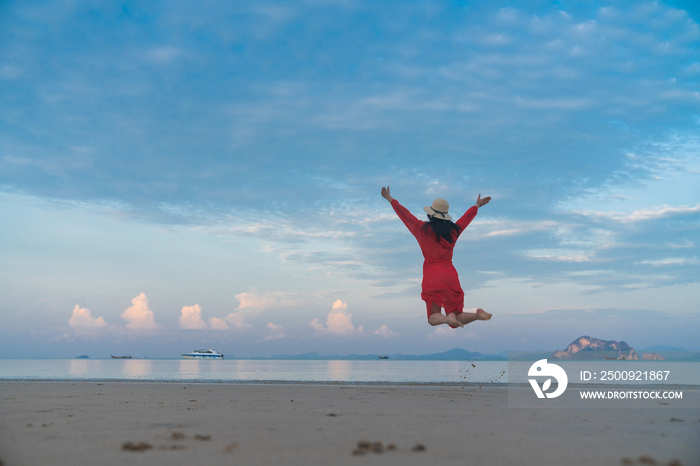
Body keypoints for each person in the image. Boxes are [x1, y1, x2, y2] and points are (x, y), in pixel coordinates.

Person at [381, 186, 492, 328]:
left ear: (431, 214)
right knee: (458, 316)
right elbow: (465, 219)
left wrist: (390, 199)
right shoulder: (453, 231)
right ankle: (477, 315)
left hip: (432, 275)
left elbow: (406, 215)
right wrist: (477, 205)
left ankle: (447, 319)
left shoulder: (421, 229)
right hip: (450, 275)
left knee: (433, 318)